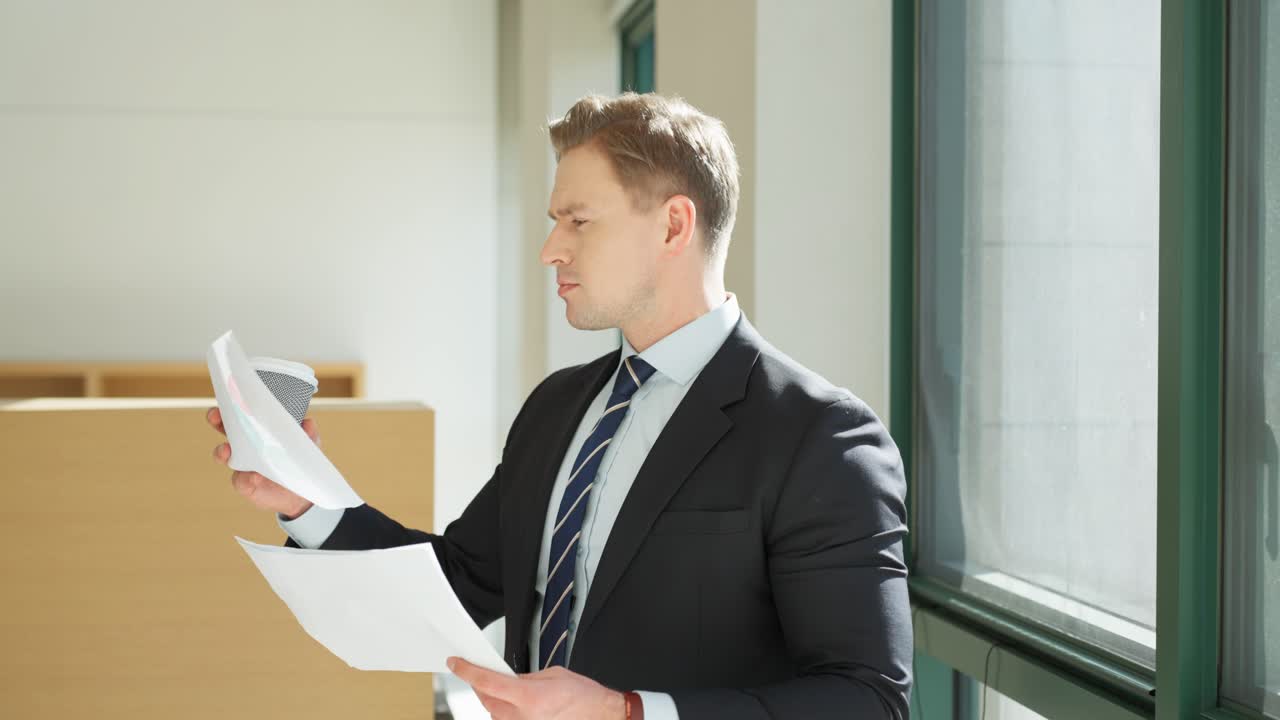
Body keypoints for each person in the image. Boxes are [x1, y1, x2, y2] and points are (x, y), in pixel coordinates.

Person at [208, 92, 912, 719]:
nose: (551, 250)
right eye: (555, 221)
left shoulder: (821, 436)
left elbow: (865, 698)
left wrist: (629, 714)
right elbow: (458, 584)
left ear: (673, 227)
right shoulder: (558, 407)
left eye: (578, 221)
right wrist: (304, 498)